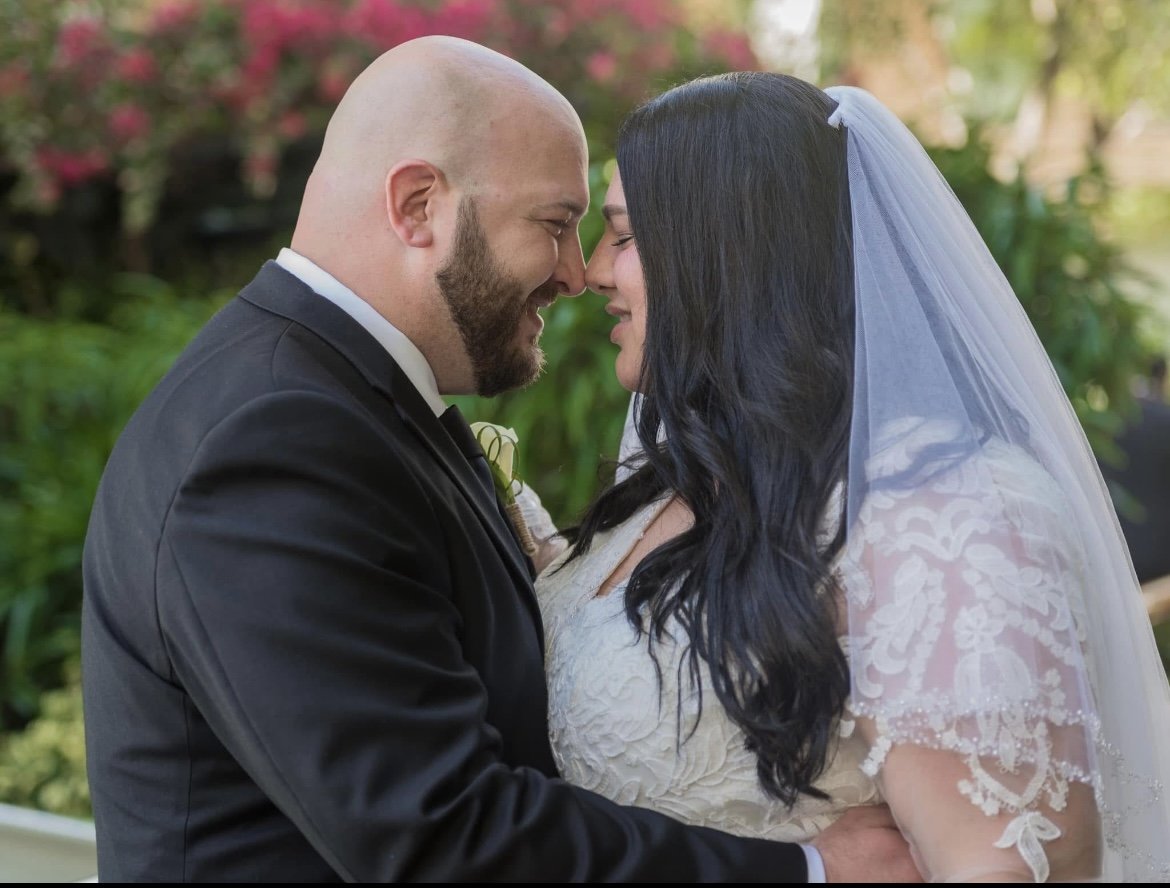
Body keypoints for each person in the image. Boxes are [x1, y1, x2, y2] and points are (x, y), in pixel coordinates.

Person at [80, 38, 917, 882]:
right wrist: (807, 870)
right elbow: (436, 833)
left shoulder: (351, 398)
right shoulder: (276, 437)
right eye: (555, 225)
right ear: (417, 206)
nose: (575, 273)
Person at [533, 72, 1170, 883]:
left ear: (727, 251)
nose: (590, 273)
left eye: (623, 239)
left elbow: (1012, 865)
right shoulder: (670, 492)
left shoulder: (939, 511)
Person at [1099, 356, 1170, 584]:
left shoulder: (1105, 420)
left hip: (1113, 548)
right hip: (1161, 554)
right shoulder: (1166, 420)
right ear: (1161, 378)